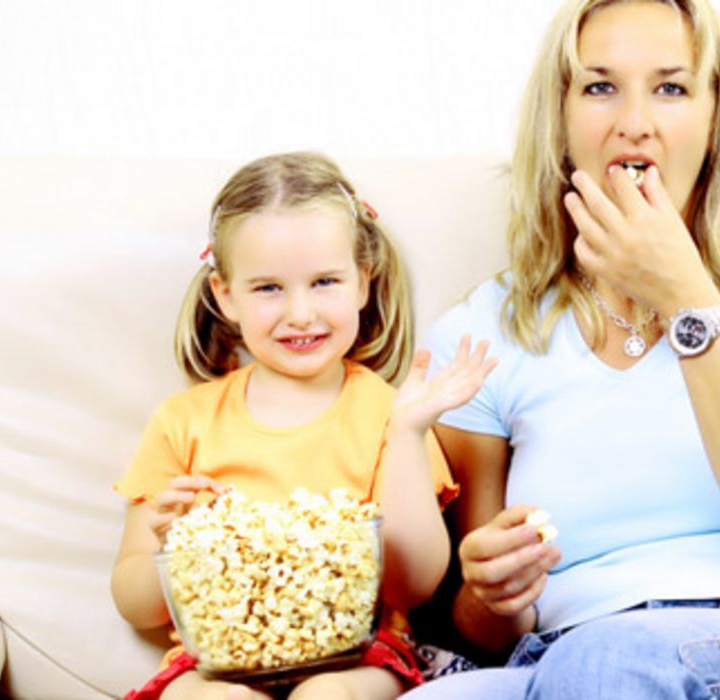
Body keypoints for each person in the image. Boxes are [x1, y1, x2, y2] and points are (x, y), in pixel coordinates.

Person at [403, 0, 720, 697]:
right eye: (599, 86)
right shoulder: (484, 332)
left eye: (670, 87)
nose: (634, 121)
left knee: (614, 660)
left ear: (713, 117)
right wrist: (491, 595)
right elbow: (482, 632)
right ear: (561, 117)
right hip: (566, 658)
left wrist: (684, 297)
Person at [110, 152, 496, 700]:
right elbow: (134, 604)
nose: (300, 313)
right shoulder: (183, 423)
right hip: (218, 661)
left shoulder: (392, 414)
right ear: (226, 296)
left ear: (363, 283)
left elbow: (414, 586)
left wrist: (408, 436)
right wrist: (172, 548)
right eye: (269, 288)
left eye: (324, 282)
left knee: (327, 697)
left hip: (358, 656)